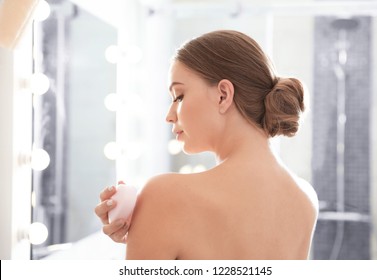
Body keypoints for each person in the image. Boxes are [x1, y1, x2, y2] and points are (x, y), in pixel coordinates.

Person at [95, 30, 318, 259]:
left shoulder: (165, 196)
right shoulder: (305, 199)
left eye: (179, 96)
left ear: (223, 95)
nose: (169, 116)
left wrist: (149, 224)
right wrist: (147, 228)